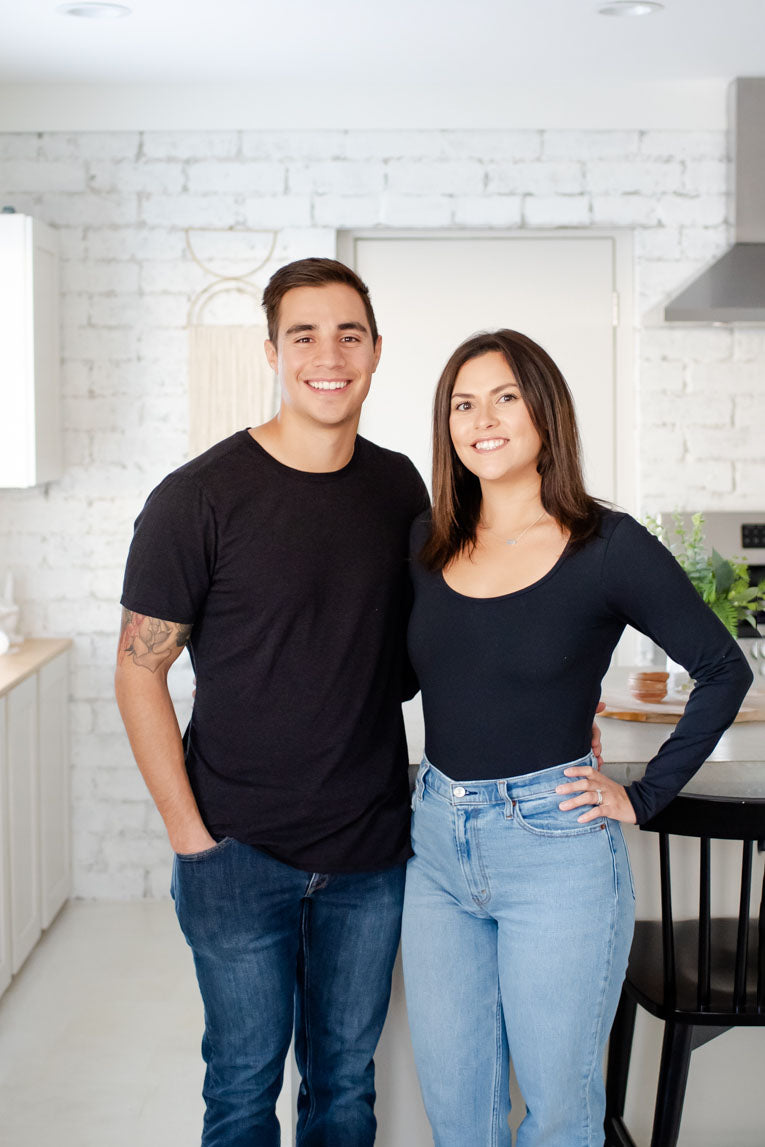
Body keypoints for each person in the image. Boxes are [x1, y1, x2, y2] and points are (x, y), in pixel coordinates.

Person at [401, 329, 753, 1147]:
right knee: (459, 1117)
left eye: (504, 397)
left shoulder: (606, 544)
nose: (480, 419)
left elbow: (721, 669)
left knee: (559, 1117)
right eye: (462, 402)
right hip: (436, 848)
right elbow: (397, 676)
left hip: (554, 850)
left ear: (544, 413)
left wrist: (644, 794)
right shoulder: (428, 543)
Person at [114, 258, 429, 1147]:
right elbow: (140, 669)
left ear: (374, 352)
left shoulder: (400, 486)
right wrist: (190, 838)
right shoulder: (197, 498)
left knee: (343, 1086)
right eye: (305, 334)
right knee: (244, 1091)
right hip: (236, 852)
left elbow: (415, 650)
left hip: (369, 852)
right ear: (272, 351)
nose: (328, 355)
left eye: (349, 334)